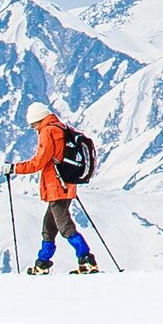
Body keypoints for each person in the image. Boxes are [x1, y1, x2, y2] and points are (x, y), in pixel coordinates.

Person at [6, 101, 98, 275]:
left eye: (33, 125)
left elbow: (38, 162)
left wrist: (14, 168)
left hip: (57, 187)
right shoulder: (62, 127)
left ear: (38, 120)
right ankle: (42, 263)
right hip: (66, 185)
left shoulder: (48, 131)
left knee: (64, 226)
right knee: (49, 226)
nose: (34, 129)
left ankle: (86, 258)